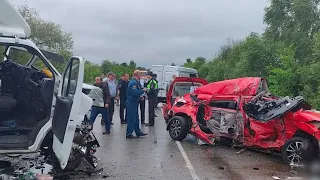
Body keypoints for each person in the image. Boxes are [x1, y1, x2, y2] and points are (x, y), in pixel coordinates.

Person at [126, 70, 147, 138]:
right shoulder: (133, 83)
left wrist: (140, 96)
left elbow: (135, 93)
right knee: (131, 118)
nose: (141, 76)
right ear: (137, 75)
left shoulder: (135, 82)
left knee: (136, 118)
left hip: (134, 101)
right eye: (140, 75)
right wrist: (142, 91)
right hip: (131, 102)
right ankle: (129, 133)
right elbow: (134, 93)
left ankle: (138, 132)